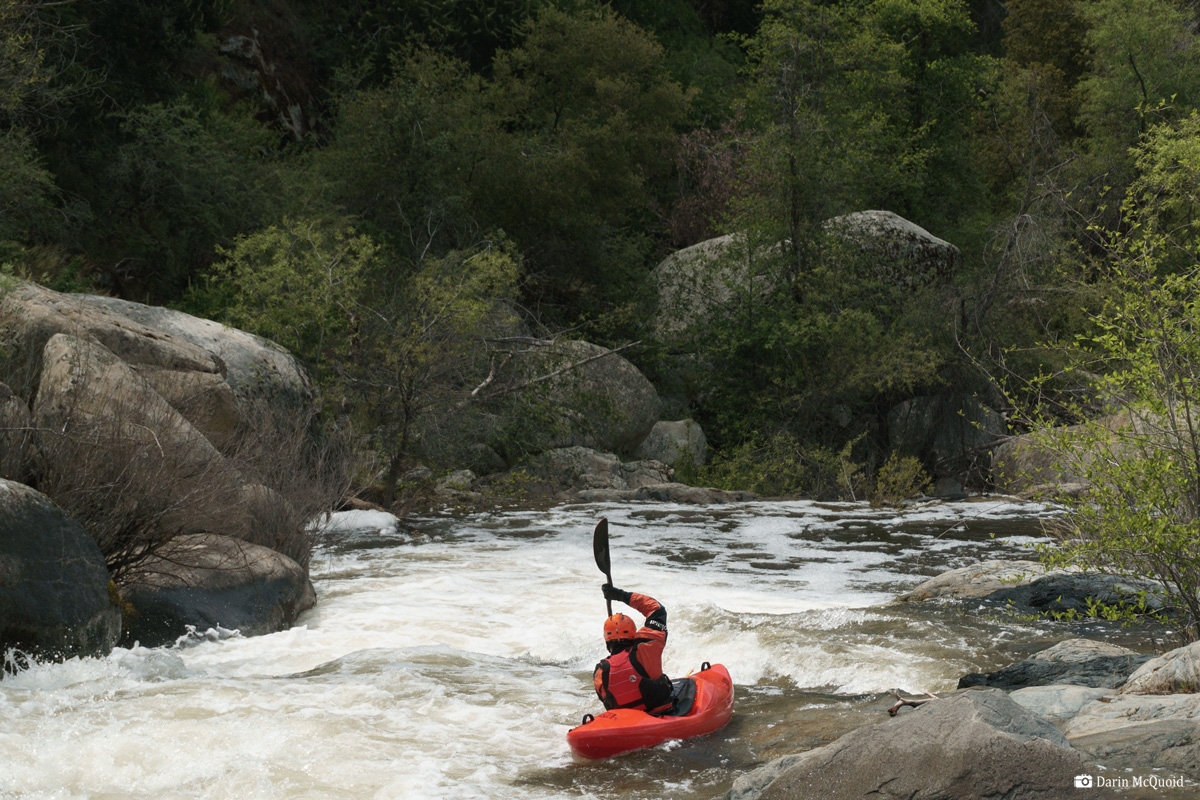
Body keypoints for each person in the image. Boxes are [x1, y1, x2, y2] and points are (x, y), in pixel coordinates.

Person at [593, 583, 674, 713]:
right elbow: (656, 609)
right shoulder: (646, 645)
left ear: (607, 640)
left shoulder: (600, 670)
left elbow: (605, 699)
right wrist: (621, 595)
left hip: (624, 719)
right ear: (633, 634)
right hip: (659, 711)